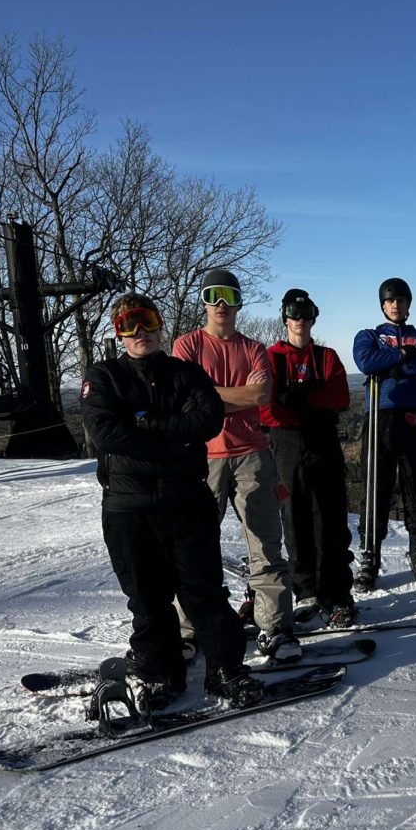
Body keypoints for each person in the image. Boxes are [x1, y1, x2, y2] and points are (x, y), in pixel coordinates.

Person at [80, 293, 264, 709]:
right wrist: (174, 439)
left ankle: (226, 670)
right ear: (118, 332)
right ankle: (159, 673)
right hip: (129, 508)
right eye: (128, 325)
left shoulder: (185, 372)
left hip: (186, 502)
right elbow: (107, 433)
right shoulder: (105, 376)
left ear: (160, 325)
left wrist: (147, 422)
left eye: (145, 321)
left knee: (204, 592)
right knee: (147, 598)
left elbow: (208, 420)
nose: (139, 332)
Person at [172, 269, 300, 662]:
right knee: (193, 545)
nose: (222, 304)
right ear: (205, 301)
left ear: (240, 301)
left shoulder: (254, 349)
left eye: (229, 295)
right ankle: (189, 631)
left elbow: (261, 393)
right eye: (214, 295)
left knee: (265, 544)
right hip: (201, 455)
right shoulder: (187, 345)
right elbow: (184, 399)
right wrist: (228, 397)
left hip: (252, 453)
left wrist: (207, 396)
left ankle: (274, 628)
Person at [261, 288, 357, 628]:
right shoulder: (272, 357)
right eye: (294, 314)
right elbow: (268, 409)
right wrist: (313, 400)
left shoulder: (326, 356)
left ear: (313, 318)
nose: (300, 321)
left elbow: (340, 395)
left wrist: (297, 399)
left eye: (306, 314)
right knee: (295, 517)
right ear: (285, 319)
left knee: (330, 518)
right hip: (287, 448)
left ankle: (336, 592)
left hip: (324, 444)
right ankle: (306, 590)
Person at [351, 277, 416, 589]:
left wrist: (390, 366)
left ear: (408, 304)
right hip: (380, 415)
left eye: (401, 300)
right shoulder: (369, 335)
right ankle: (369, 554)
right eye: (390, 301)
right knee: (376, 487)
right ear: (383, 305)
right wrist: (404, 356)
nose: (395, 305)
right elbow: (366, 362)